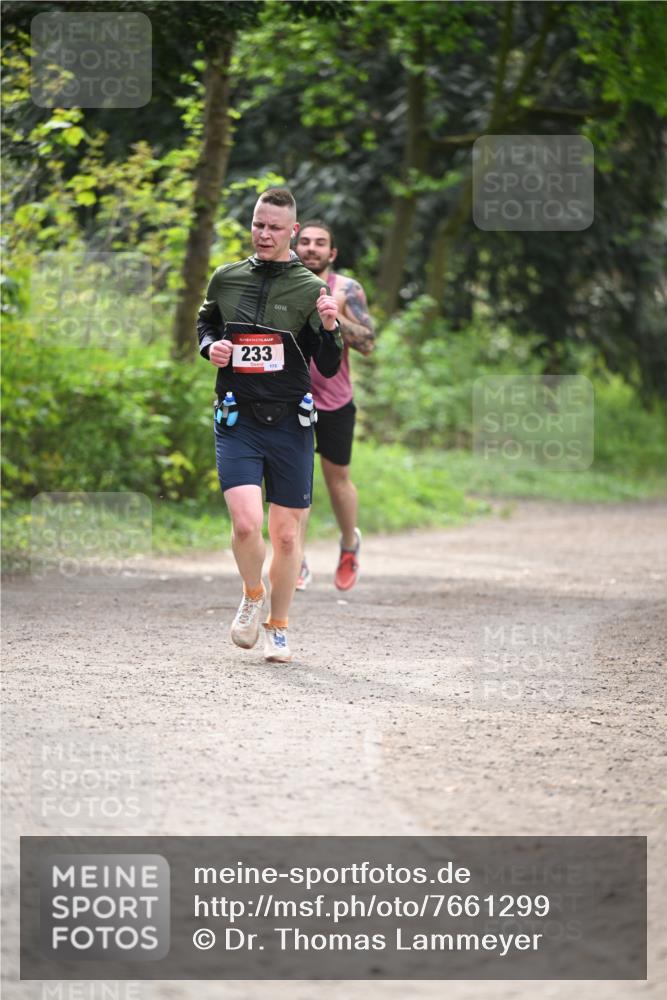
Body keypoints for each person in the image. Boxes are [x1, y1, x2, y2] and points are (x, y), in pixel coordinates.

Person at [197, 189, 342, 663]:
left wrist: (330, 327)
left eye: (275, 227)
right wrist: (210, 347)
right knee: (245, 524)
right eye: (259, 224)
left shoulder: (309, 289)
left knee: (284, 535)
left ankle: (278, 627)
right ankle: (252, 594)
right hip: (237, 416)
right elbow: (206, 323)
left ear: (292, 232)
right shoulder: (227, 277)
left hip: (290, 423)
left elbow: (325, 362)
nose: (264, 234)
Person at [294, 221, 375, 591]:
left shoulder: (347, 289)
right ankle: (293, 556)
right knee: (292, 479)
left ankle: (348, 545)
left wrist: (334, 316)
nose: (312, 248)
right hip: (291, 396)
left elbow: (368, 343)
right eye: (305, 242)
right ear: (295, 245)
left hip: (336, 400)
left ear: (332, 252)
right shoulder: (285, 283)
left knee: (336, 479)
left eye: (320, 243)